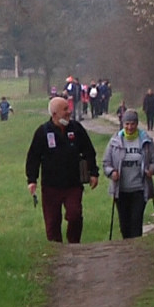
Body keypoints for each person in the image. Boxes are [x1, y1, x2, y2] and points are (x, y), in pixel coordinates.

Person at [25, 97, 100, 243]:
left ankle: (74, 245)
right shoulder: (43, 132)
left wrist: (94, 173)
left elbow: (89, 152)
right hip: (51, 186)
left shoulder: (76, 129)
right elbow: (33, 157)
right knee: (52, 223)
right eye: (65, 109)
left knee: (75, 215)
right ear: (54, 114)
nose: (69, 112)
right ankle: (57, 252)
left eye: (68, 108)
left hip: (73, 185)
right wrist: (32, 180)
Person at [103, 109, 154, 239]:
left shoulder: (146, 141)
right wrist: (112, 172)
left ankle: (137, 251)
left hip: (140, 188)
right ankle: (127, 250)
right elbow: (106, 163)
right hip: (120, 190)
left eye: (133, 124)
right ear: (123, 124)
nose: (130, 127)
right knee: (124, 225)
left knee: (136, 221)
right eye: (127, 124)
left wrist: (151, 169)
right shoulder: (114, 142)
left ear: (137, 124)